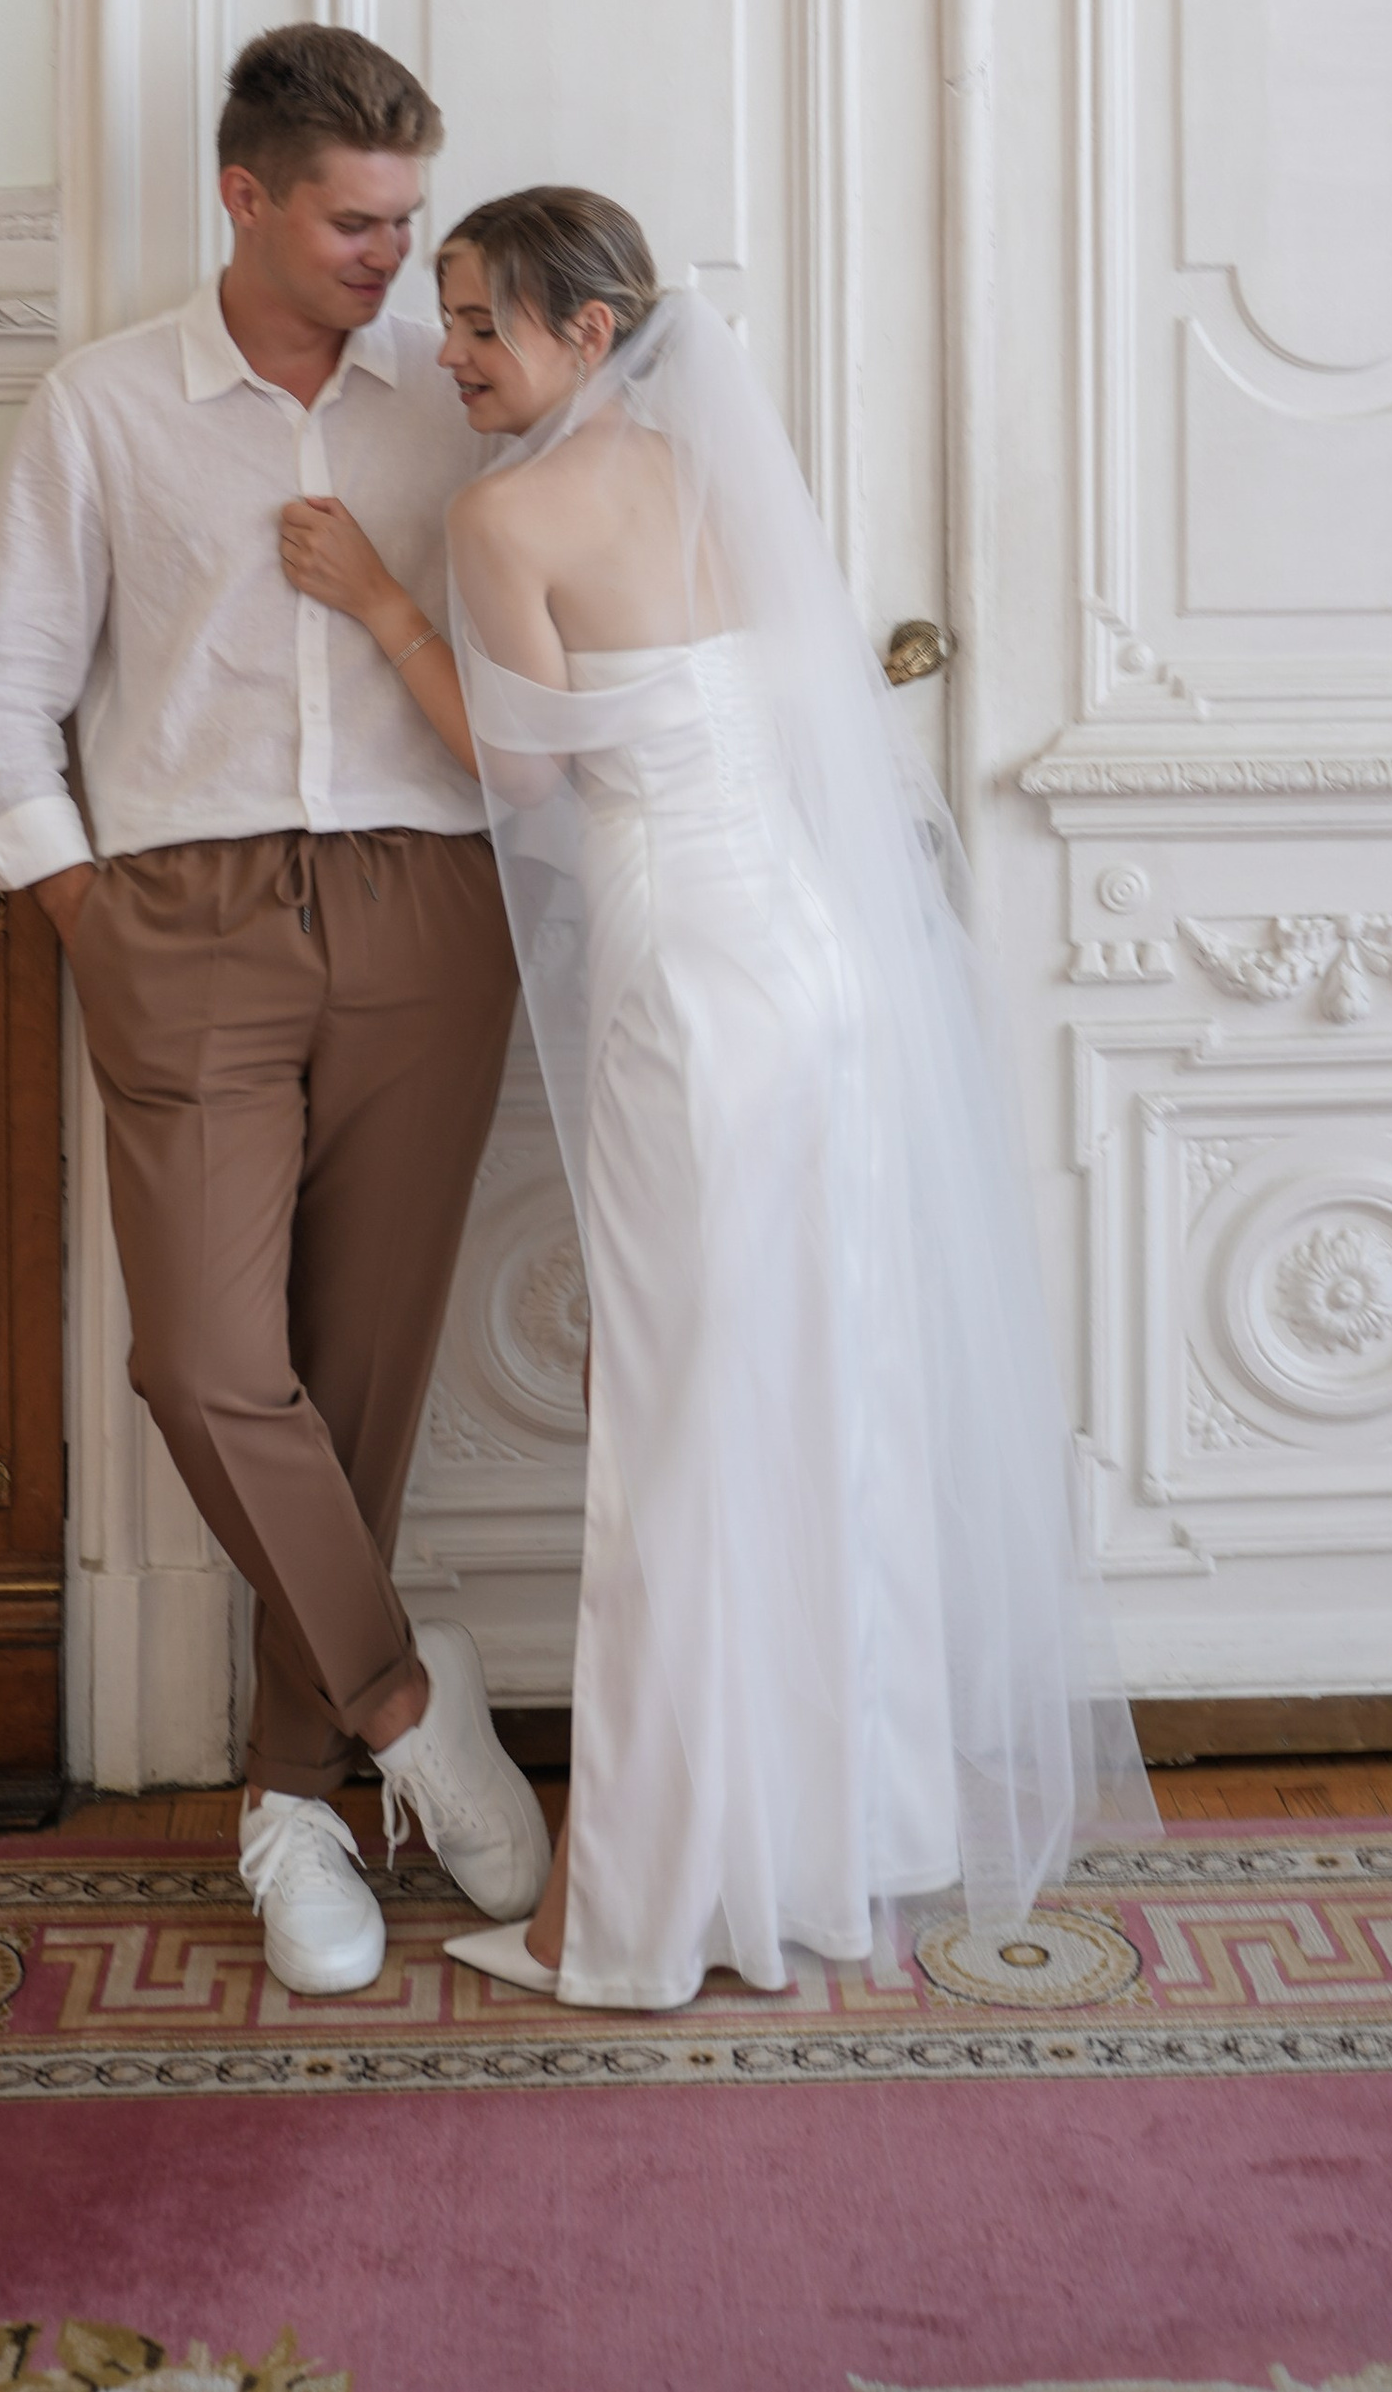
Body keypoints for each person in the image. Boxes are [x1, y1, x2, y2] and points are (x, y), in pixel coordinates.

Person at [282, 183, 1151, 2011]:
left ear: (589, 330)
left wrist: (375, 599)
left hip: (689, 985)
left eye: (480, 326)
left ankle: (639, 1892)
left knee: (674, 1436)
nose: (448, 356)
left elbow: (515, 764)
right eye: (443, 320)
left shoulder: (501, 509)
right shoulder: (705, 479)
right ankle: (821, 1838)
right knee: (805, 1406)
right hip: (819, 980)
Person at [0, 25, 550, 1996]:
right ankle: (401, 1707)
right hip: (177, 911)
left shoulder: (458, 400)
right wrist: (83, 913)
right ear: (245, 194)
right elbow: (3, 681)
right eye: (357, 220)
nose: (398, 254)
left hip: (423, 901)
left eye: (410, 216)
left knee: (356, 1369)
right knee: (207, 1360)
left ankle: (290, 1806)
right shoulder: (104, 402)